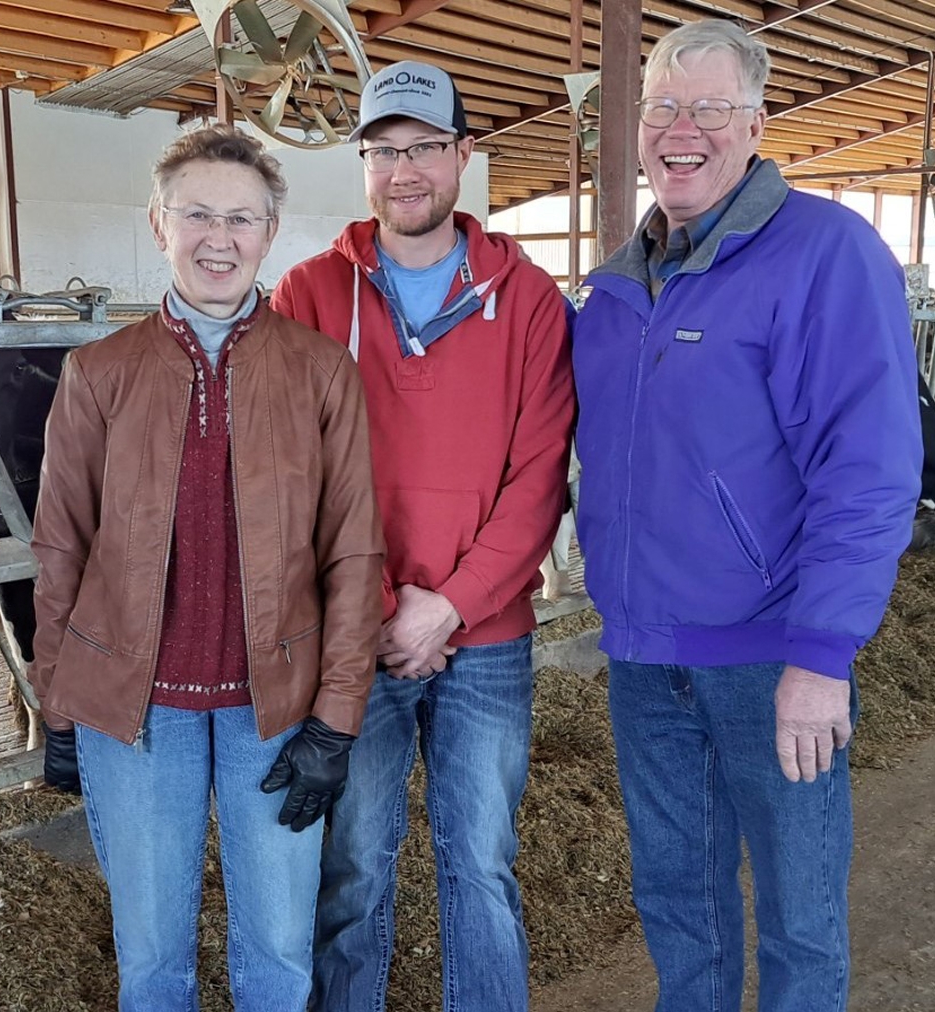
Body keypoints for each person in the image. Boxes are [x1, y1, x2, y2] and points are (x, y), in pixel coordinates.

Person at [571, 20, 920, 1012]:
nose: (683, 129)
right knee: (678, 900)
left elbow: (869, 471)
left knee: (798, 912)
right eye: (663, 108)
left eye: (709, 109)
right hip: (643, 658)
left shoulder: (825, 256)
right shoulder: (616, 287)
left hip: (772, 658)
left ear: (756, 123)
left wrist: (821, 655)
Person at [28, 124, 386, 1011]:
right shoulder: (98, 372)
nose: (217, 238)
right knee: (152, 958)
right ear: (159, 225)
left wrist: (337, 718)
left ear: (270, 234)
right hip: (135, 712)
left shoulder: (319, 372)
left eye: (241, 218)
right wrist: (61, 699)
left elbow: (352, 549)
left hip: (278, 706)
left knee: (277, 951)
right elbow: (61, 545)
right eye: (196, 214)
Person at [272, 60, 575, 1012]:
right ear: (363, 163)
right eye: (383, 151)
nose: (405, 171)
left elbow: (538, 480)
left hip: (486, 640)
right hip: (356, 641)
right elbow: (292, 474)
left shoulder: (528, 301)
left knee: (480, 862)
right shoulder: (310, 294)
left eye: (425, 149)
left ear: (463, 157)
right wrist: (384, 612)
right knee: (352, 863)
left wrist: (448, 606)